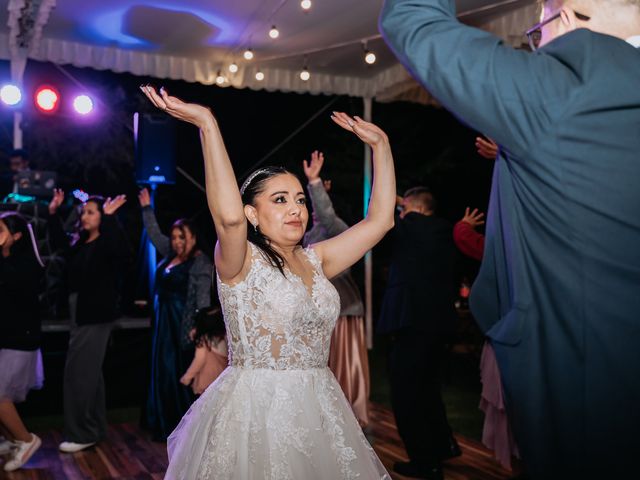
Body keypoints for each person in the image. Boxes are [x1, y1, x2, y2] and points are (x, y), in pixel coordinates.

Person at [380, 0, 640, 477]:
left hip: (591, 388)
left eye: (535, 34)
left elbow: (412, 18)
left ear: (564, 15)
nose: (534, 48)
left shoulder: (570, 91)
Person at [141, 84, 394, 479]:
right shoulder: (240, 262)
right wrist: (207, 123)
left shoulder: (318, 258)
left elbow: (380, 221)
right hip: (256, 413)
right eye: (279, 200)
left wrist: (381, 147)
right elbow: (227, 218)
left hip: (319, 405)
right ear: (252, 215)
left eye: (298, 199)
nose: (295, 209)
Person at [377, 187, 459, 480]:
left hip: (409, 322)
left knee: (407, 395)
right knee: (429, 389)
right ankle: (444, 444)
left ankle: (426, 462)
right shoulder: (446, 230)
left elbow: (380, 224)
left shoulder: (408, 226)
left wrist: (400, 208)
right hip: (441, 324)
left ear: (414, 208)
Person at [48, 189, 130, 453]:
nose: (84, 216)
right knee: (90, 376)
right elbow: (61, 246)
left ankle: (82, 432)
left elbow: (121, 253)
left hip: (95, 317)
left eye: (90, 212)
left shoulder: (107, 243)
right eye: (84, 212)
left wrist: (108, 219)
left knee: (78, 375)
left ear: (102, 216)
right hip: (80, 315)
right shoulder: (81, 244)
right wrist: (52, 213)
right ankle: (93, 428)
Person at [301, 150, 370, 427]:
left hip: (343, 312)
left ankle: (349, 418)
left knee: (343, 369)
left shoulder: (339, 229)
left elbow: (327, 217)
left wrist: (315, 184)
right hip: (318, 315)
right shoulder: (307, 236)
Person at [138, 188, 212, 439]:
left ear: (193, 237)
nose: (177, 241)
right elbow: (155, 235)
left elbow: (202, 298)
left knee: (174, 372)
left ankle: (181, 426)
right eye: (175, 237)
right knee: (161, 369)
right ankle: (160, 420)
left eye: (183, 237)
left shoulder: (200, 262)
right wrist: (147, 209)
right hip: (162, 322)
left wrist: (198, 325)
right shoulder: (171, 255)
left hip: (180, 322)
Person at [0, 212, 44, 471]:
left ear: (16, 236)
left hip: (21, 340)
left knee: (0, 396)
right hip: (6, 338)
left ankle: (27, 440)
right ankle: (10, 439)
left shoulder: (26, 264)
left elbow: (18, 288)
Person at [180, 306, 228, 395]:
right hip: (222, 378)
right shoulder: (225, 337)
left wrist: (187, 377)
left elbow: (199, 361)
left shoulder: (203, 341)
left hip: (207, 379)